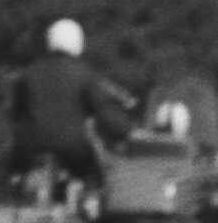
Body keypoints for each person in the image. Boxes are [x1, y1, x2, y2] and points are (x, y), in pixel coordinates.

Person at [9, 17, 140, 212]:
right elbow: (103, 112)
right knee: (95, 173)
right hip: (72, 146)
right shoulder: (84, 74)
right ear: (77, 42)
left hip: (31, 147)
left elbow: (16, 113)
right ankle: (91, 204)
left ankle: (18, 182)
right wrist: (125, 131)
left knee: (18, 169)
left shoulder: (28, 74)